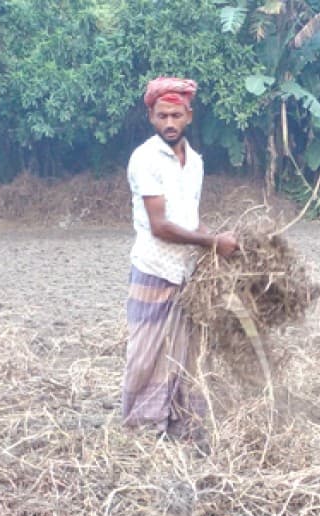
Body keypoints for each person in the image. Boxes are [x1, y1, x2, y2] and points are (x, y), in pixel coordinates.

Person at [121, 77, 238, 440]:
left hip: (185, 270)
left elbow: (189, 217)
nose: (169, 123)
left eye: (175, 115)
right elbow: (160, 226)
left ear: (189, 115)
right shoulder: (145, 159)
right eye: (161, 116)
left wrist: (211, 251)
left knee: (184, 349)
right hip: (155, 267)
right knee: (146, 352)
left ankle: (178, 421)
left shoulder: (196, 162)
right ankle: (143, 426)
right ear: (151, 118)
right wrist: (211, 241)